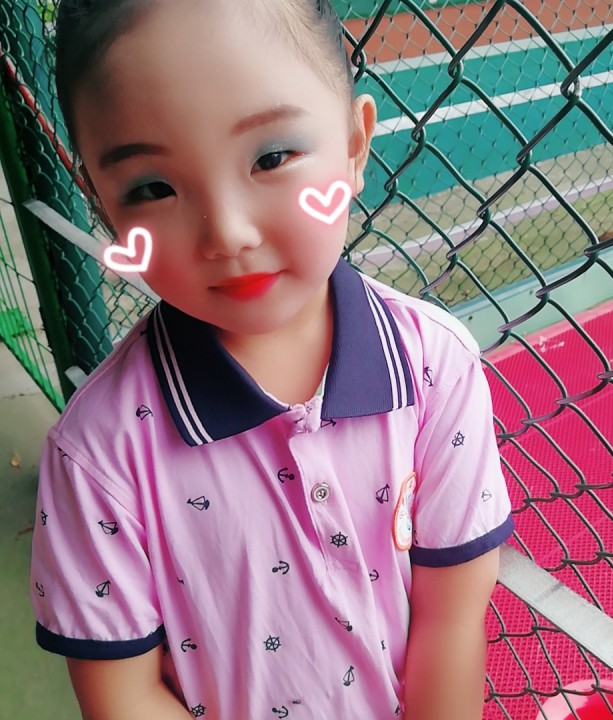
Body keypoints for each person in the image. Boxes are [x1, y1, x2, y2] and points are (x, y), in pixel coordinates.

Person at [30, 1, 514, 718]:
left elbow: (452, 619)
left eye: (271, 157)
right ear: (102, 205)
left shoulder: (435, 367)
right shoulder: (99, 453)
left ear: (354, 146)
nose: (227, 233)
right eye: (152, 189)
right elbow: (123, 695)